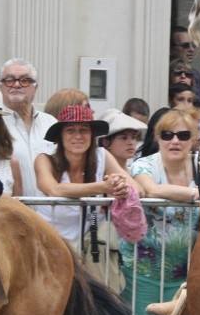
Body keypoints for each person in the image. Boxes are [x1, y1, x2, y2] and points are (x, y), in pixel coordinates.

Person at [120, 109, 200, 315]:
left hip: (187, 273)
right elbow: (152, 189)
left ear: (193, 139)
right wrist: (195, 194)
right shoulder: (143, 164)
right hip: (143, 271)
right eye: (167, 135)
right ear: (157, 138)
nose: (175, 141)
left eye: (183, 135)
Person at [34, 104, 136, 245]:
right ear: (60, 136)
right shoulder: (44, 160)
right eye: (70, 130)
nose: (78, 136)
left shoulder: (102, 156)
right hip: (49, 245)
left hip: (88, 249)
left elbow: (136, 189)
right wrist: (104, 187)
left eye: (84, 130)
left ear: (92, 135)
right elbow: (54, 190)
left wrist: (120, 186)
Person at [0, 58, 57, 197]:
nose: (16, 85)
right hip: (12, 208)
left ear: (35, 87)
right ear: (0, 86)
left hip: (51, 208)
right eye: (9, 80)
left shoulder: (51, 123)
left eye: (25, 80)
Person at [170, 26, 200, 99]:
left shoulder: (195, 74)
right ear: (171, 49)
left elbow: (197, 103)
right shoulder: (164, 73)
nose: (191, 49)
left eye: (193, 45)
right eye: (185, 46)